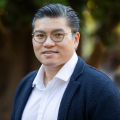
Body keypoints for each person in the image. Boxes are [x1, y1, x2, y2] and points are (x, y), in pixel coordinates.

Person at [11, 3, 120, 120]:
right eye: (40, 35)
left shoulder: (101, 89)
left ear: (76, 40)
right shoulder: (25, 84)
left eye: (58, 35)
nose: (47, 43)